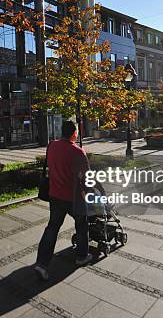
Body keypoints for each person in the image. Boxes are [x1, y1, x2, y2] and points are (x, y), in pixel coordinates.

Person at [34, 120, 92, 281]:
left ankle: (41, 263)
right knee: (81, 224)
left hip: (55, 195)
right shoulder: (78, 152)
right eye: (77, 131)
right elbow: (87, 179)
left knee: (52, 228)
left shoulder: (52, 145)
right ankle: (81, 256)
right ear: (74, 133)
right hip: (73, 198)